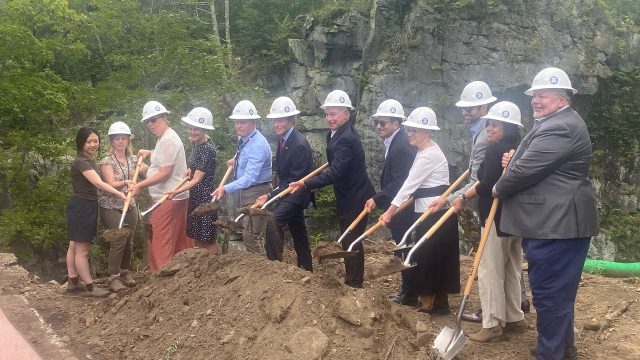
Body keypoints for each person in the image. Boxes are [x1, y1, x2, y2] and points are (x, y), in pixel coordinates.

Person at [493, 67, 599, 360]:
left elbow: (527, 170)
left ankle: (550, 353)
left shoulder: (559, 126)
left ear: (562, 99)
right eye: (534, 95)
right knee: (558, 291)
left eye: (543, 96)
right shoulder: (556, 121)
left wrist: (499, 187)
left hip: (557, 224)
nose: (536, 101)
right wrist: (515, 158)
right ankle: (562, 348)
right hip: (559, 223)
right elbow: (529, 159)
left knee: (549, 292)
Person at [454, 102, 526, 343]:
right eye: (489, 124)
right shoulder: (521, 149)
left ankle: (493, 323)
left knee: (490, 269)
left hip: (495, 218)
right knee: (512, 266)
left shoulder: (495, 151)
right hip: (516, 218)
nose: (489, 128)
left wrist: (463, 196)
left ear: (507, 126)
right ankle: (515, 317)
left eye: (495, 124)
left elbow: (486, 184)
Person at [290, 90, 376, 288]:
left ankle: (354, 284)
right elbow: (337, 164)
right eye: (327, 114)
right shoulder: (336, 133)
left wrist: (306, 184)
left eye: (333, 114)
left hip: (355, 197)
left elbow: (336, 173)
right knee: (349, 240)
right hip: (348, 195)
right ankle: (352, 280)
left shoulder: (346, 138)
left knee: (351, 241)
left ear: (346, 114)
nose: (329, 118)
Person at [379, 107, 459, 314]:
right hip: (428, 211)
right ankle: (439, 302)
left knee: (428, 257)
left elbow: (408, 186)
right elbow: (414, 189)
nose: (410, 134)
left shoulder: (427, 155)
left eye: (415, 130)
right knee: (432, 256)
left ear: (428, 132)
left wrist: (389, 212)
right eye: (409, 130)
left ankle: (429, 303)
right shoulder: (424, 151)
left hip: (435, 213)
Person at [363, 99, 418, 304]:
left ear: (396, 124)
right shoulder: (396, 142)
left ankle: (410, 292)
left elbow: (399, 182)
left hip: (403, 207)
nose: (379, 126)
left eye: (383, 122)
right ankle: (408, 290)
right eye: (377, 122)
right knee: (403, 246)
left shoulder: (401, 146)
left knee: (404, 246)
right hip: (399, 204)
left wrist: (378, 199)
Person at [129, 101, 193, 272]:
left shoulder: (168, 140)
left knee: (158, 241)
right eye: (147, 121)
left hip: (167, 199)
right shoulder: (164, 138)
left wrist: (140, 185)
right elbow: (162, 163)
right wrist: (149, 156)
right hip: (174, 197)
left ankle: (161, 279)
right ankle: (180, 277)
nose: (150, 124)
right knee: (179, 242)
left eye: (154, 119)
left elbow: (165, 173)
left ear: (165, 118)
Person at [66, 127, 126, 298]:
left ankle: (73, 282)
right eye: (89, 141)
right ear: (81, 143)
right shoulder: (82, 162)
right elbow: (99, 183)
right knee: (82, 250)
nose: (93, 145)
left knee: (73, 245)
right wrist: (119, 192)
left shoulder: (88, 160)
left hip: (81, 206)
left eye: (96, 141)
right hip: (82, 207)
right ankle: (90, 287)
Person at [256, 97, 314, 271]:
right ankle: (306, 267)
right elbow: (284, 178)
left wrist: (270, 196)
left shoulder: (299, 145)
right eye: (275, 120)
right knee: (298, 231)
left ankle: (274, 267)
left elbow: (293, 182)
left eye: (280, 120)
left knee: (273, 221)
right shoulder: (283, 140)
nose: (276, 124)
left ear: (291, 120)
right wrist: (271, 195)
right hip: (287, 191)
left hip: (297, 194)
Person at [211, 100, 271, 254]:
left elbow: (250, 177)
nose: (238, 126)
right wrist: (236, 161)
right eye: (237, 122)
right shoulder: (244, 138)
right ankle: (263, 266)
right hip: (245, 191)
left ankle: (262, 272)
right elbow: (243, 153)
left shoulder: (258, 145)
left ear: (253, 123)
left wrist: (225, 188)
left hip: (257, 192)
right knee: (251, 234)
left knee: (250, 235)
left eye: (242, 122)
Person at [165, 108, 218, 256]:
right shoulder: (197, 144)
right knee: (198, 236)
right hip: (195, 196)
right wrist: (190, 168)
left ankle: (213, 268)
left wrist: (177, 191)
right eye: (190, 128)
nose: (192, 132)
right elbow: (197, 167)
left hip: (205, 197)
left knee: (208, 238)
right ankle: (201, 269)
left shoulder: (208, 149)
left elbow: (197, 179)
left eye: (196, 129)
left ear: (204, 129)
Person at [98, 122, 139, 293]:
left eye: (124, 138)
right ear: (112, 141)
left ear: (128, 140)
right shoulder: (106, 161)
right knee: (118, 240)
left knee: (129, 241)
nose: (121, 141)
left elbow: (149, 171)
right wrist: (125, 182)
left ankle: (124, 273)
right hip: (111, 206)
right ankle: (113, 277)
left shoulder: (135, 159)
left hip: (130, 205)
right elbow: (110, 183)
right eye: (117, 139)